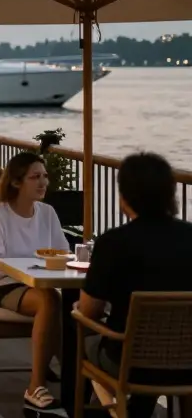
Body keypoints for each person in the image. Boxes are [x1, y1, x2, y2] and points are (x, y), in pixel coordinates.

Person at [78, 152, 192, 418]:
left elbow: (89, 311)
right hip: (188, 362)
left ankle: (108, 410)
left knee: (83, 332)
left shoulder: (114, 242)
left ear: (125, 195)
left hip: (129, 363)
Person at [0, 152, 70, 413]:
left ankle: (75, 378)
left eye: (44, 176)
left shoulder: (47, 212)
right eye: (35, 177)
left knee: (71, 306)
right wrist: (34, 267)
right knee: (52, 301)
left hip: (38, 283)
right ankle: (35, 385)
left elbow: (63, 252)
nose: (43, 183)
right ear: (17, 182)